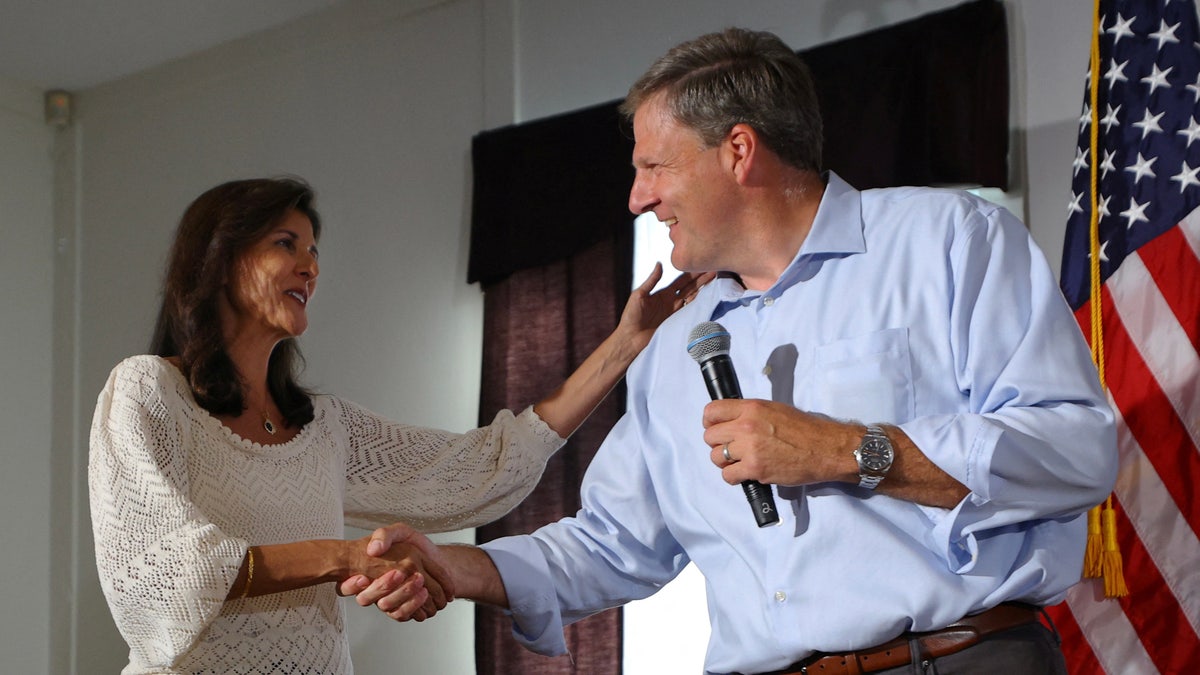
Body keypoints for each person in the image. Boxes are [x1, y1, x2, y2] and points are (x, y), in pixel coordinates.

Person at [349, 27, 1120, 675]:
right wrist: (460, 568)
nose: (637, 198)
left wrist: (846, 449)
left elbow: (1075, 450)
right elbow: (609, 543)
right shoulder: (676, 341)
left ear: (739, 151)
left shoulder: (948, 241)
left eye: (653, 166)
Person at [88, 176, 710, 674]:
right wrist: (344, 557)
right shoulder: (149, 391)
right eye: (286, 243)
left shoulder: (324, 427)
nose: (310, 266)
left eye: (314, 251)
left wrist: (627, 344)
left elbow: (480, 472)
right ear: (220, 259)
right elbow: (160, 572)